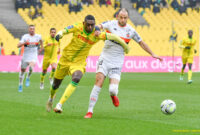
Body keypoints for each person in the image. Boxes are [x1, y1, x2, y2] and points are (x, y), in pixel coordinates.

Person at [84, 8, 163, 118]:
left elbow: (141, 43)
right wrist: (97, 30)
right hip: (105, 59)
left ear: (128, 18)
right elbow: (99, 26)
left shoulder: (130, 31)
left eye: (125, 17)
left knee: (112, 90)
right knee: (99, 81)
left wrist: (152, 54)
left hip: (117, 62)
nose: (123, 19)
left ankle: (113, 95)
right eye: (121, 17)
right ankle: (90, 111)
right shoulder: (111, 24)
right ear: (117, 16)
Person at [46, 15, 130, 113]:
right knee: (56, 85)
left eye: (92, 25)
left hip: (79, 62)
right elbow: (65, 30)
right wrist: (60, 33)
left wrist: (125, 46)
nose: (90, 27)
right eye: (88, 25)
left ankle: (59, 105)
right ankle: (51, 99)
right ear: (83, 23)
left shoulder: (96, 33)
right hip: (65, 59)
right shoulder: (78, 27)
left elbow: (114, 37)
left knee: (76, 78)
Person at [17, 25, 43, 92]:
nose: (32, 30)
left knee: (31, 68)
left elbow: (41, 41)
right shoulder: (25, 37)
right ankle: (20, 84)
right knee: (22, 72)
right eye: (31, 29)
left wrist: (41, 48)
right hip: (25, 56)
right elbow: (18, 46)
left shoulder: (38, 36)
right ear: (29, 30)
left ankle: (28, 77)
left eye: (33, 29)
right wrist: (25, 43)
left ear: (34, 29)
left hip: (33, 55)